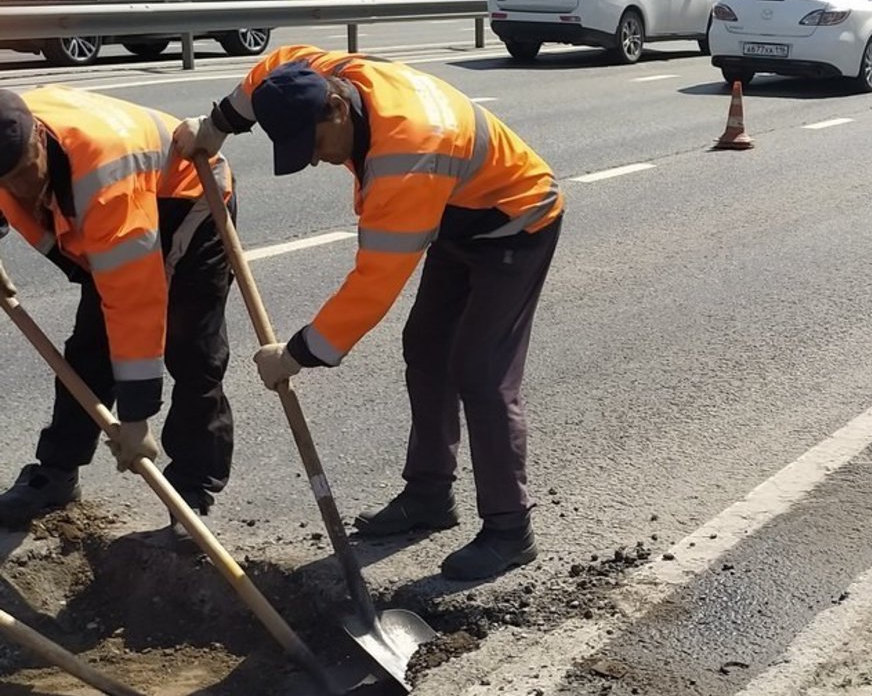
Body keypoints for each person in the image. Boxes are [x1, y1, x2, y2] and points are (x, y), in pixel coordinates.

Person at [174, 46, 564, 582]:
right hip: (457, 211)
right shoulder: (319, 74)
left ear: (335, 109)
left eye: (313, 144)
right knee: (426, 346)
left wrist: (296, 354)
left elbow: (375, 284)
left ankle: (509, 528)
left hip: (517, 221)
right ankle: (429, 495)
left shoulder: (408, 156)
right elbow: (272, 68)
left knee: (480, 370)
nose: (314, 159)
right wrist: (216, 126)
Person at [0, 88, 235, 536]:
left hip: (188, 198)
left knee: (192, 348)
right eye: (7, 181)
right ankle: (56, 473)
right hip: (105, 200)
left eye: (25, 170)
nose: (20, 187)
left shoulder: (102, 182)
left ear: (37, 138)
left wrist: (135, 418)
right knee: (89, 346)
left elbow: (133, 301)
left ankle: (193, 488)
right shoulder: (6, 133)